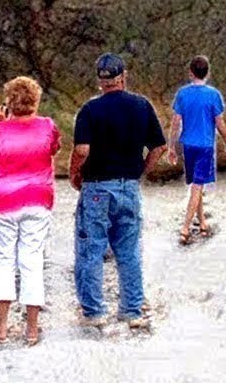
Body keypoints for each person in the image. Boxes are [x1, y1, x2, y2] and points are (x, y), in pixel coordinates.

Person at [70, 53, 170, 329]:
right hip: (129, 186)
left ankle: (93, 311)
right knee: (129, 250)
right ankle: (131, 308)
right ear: (123, 76)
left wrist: (74, 171)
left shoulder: (90, 111)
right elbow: (159, 147)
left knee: (91, 250)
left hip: (97, 187)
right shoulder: (141, 105)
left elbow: (82, 150)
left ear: (100, 81)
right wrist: (142, 170)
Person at [0, 76, 61, 346]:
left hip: (2, 200)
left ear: (9, 102)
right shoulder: (48, 127)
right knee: (32, 259)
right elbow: (53, 150)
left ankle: (2, 328)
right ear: (35, 100)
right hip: (38, 198)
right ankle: (32, 330)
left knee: (2, 260)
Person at [168, 55, 226, 244]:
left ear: (191, 73)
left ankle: (203, 222)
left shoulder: (182, 94)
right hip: (205, 145)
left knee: (195, 185)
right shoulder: (213, 95)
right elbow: (219, 122)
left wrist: (171, 147)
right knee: (198, 186)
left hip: (188, 145)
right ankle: (185, 227)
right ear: (208, 72)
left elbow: (175, 122)